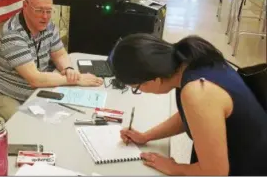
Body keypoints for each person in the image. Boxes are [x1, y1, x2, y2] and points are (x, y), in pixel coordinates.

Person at [113, 33, 267, 176]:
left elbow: (215, 172)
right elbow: (194, 117)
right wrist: (146, 136)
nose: (141, 91)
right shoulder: (189, 58)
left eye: (137, 88)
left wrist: (173, 168)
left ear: (154, 80)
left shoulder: (198, 92)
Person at [0, 0, 103, 121]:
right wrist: (77, 79)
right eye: (39, 10)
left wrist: (68, 69)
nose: (45, 16)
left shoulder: (48, 26)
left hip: (31, 92)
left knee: (63, 115)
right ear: (25, 6)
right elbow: (35, 79)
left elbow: (59, 54)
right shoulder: (12, 35)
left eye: (49, 11)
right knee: (23, 123)